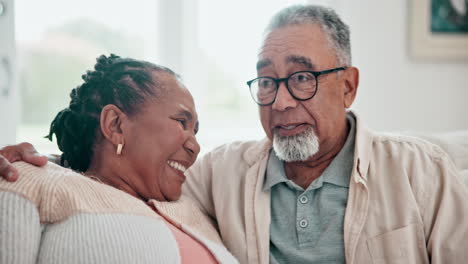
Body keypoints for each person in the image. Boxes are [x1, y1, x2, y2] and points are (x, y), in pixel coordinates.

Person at [2, 4, 468, 264]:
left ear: (347, 87)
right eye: (266, 82)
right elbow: (121, 172)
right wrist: (33, 160)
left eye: (302, 77)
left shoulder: (421, 170)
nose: (281, 101)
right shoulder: (222, 174)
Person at [0, 54, 238, 263]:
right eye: (181, 122)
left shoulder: (193, 205)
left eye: (195, 131)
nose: (195, 146)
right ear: (115, 125)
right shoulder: (30, 179)